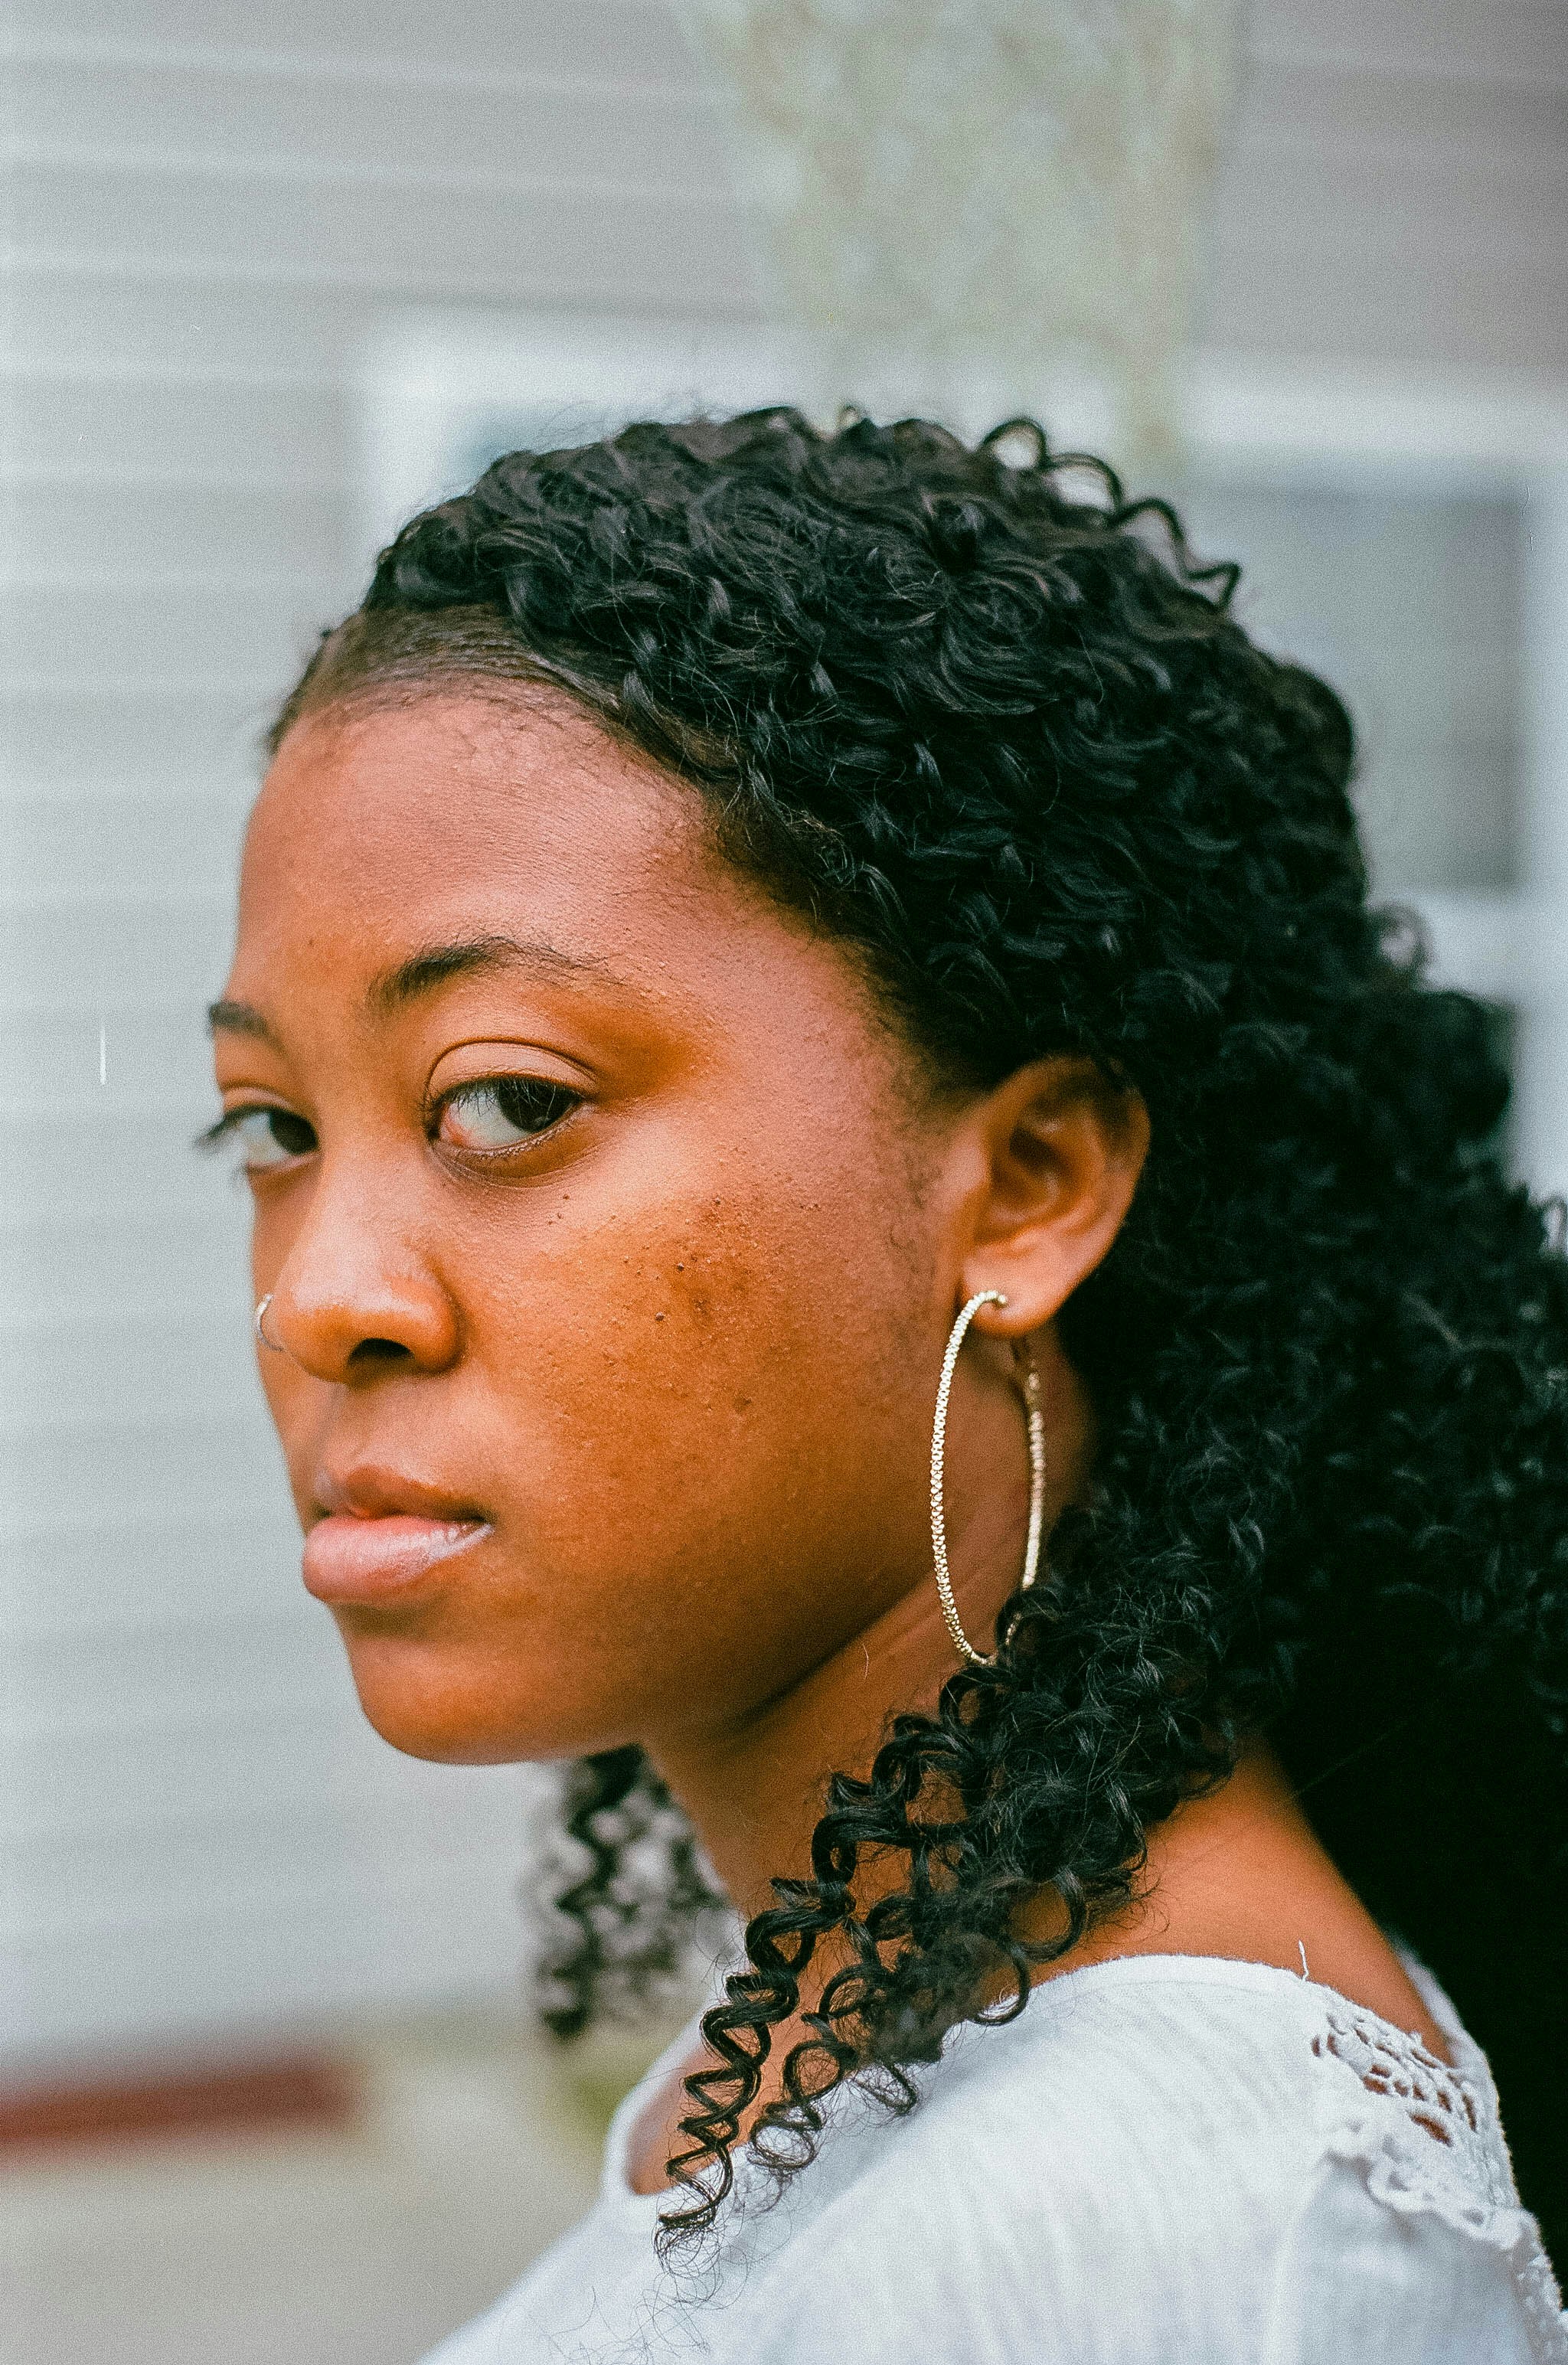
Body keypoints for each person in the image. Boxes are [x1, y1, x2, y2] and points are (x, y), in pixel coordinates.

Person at [207, 411, 1566, 2363]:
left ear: (1025, 1189)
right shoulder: (871, 2027)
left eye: (506, 1100)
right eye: (271, 1125)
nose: (321, 1296)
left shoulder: (1154, 2237)